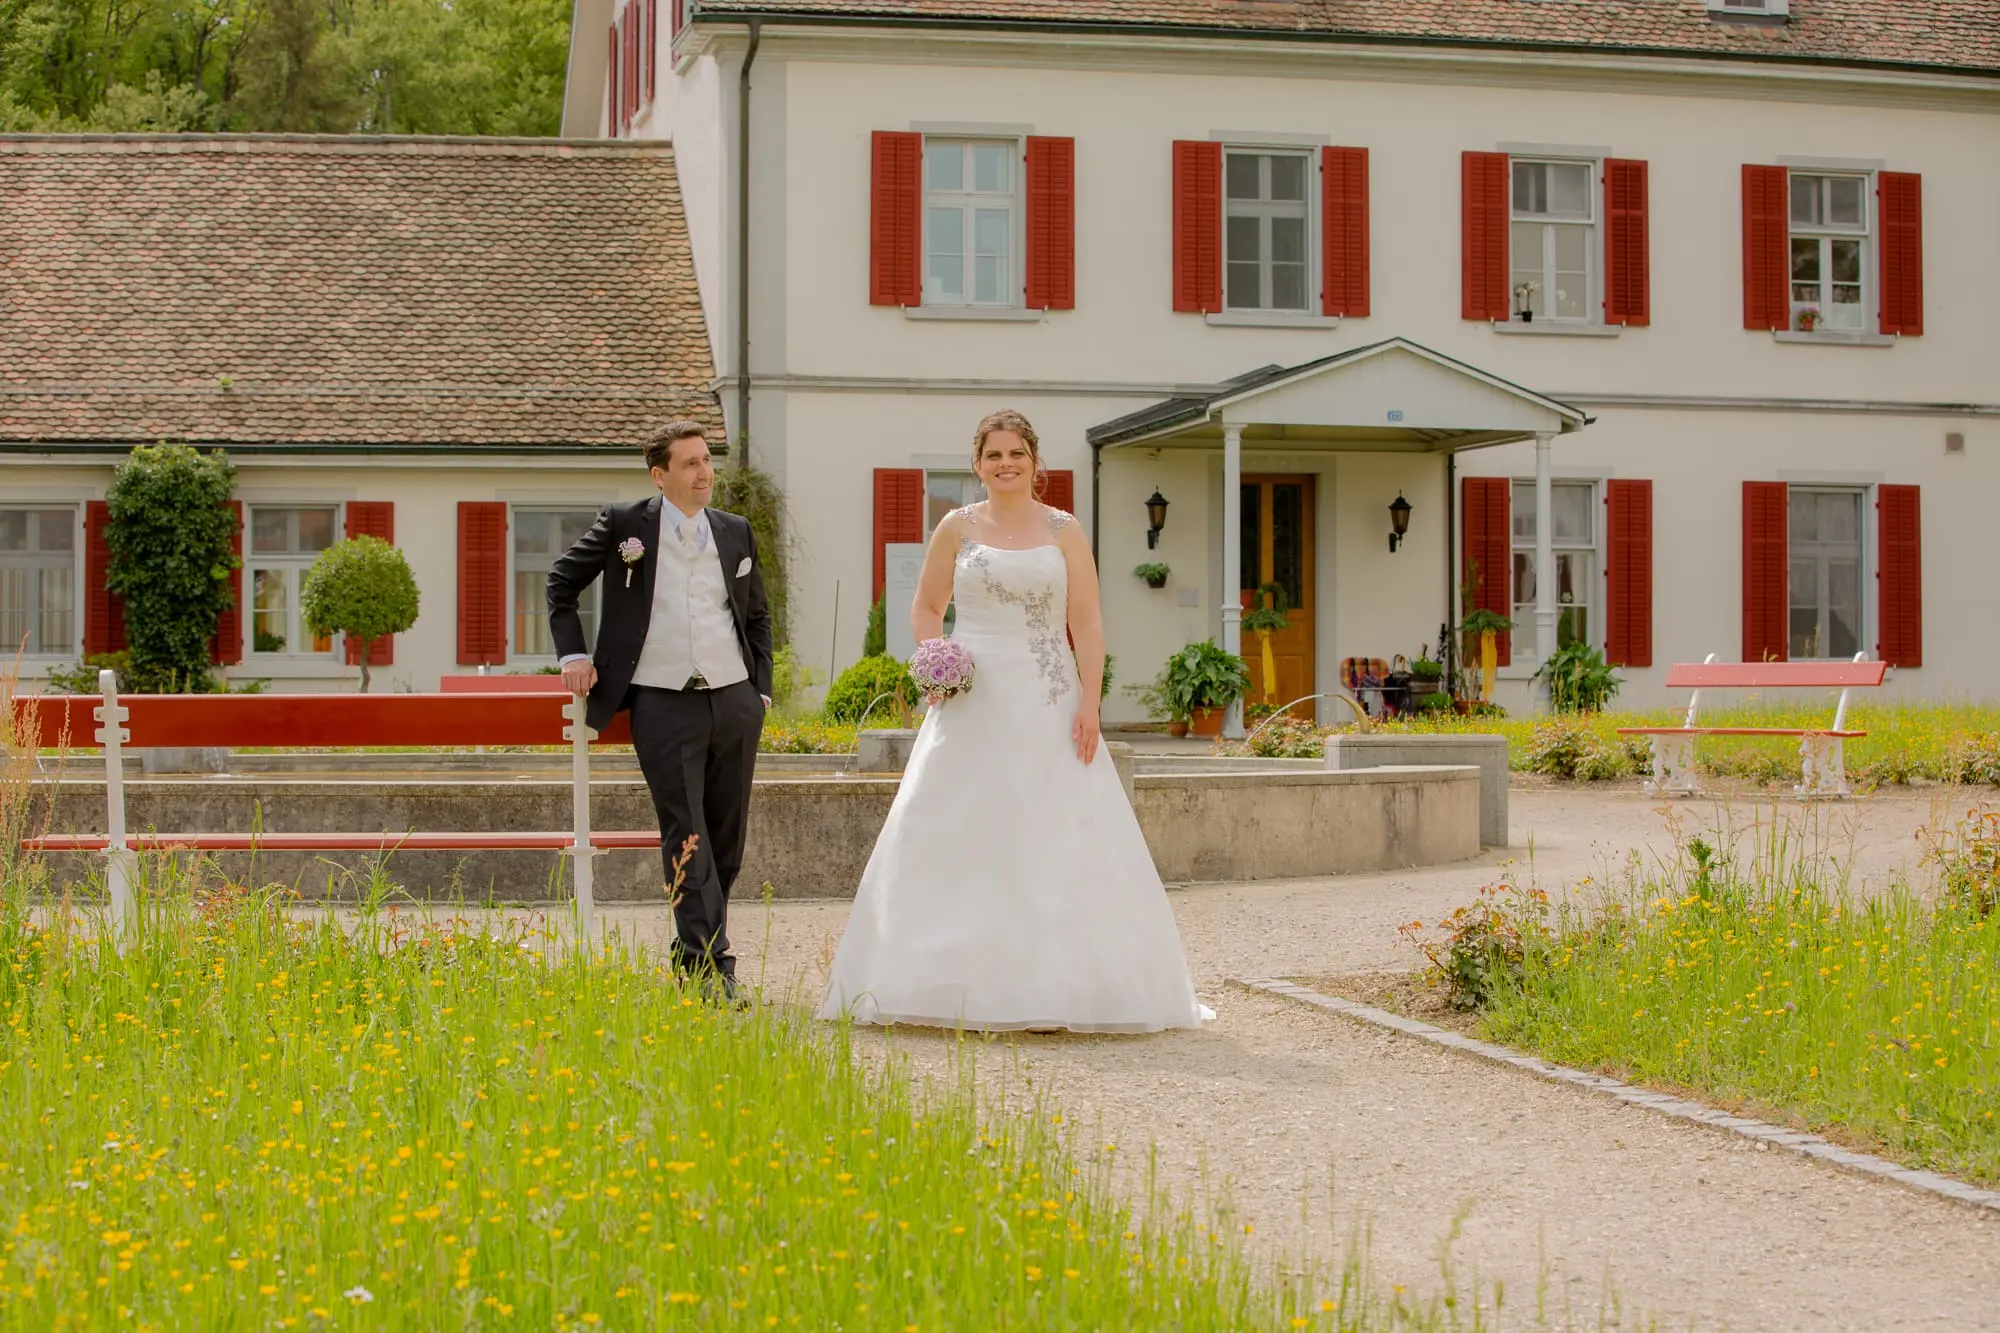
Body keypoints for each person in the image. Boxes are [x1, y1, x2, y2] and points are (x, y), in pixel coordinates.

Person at [818, 410, 1211, 1033]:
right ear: (978, 464)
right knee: (957, 824)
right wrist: (935, 661)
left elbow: (1086, 620)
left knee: (1056, 826)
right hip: (972, 698)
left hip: (1047, 695)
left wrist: (1089, 702)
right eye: (994, 455)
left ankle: (1065, 987)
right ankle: (935, 979)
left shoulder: (1064, 530)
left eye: (1016, 454)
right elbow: (926, 606)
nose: (1005, 464)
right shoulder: (956, 526)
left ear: (1035, 463)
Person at [547, 420, 772, 1003]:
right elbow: (561, 583)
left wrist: (760, 692)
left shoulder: (736, 531)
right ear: (660, 474)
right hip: (662, 702)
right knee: (687, 834)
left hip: (733, 698)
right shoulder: (626, 525)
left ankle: (694, 952)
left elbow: (756, 618)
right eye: (691, 463)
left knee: (727, 840)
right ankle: (708, 969)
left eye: (706, 460)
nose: (704, 472)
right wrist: (573, 652)